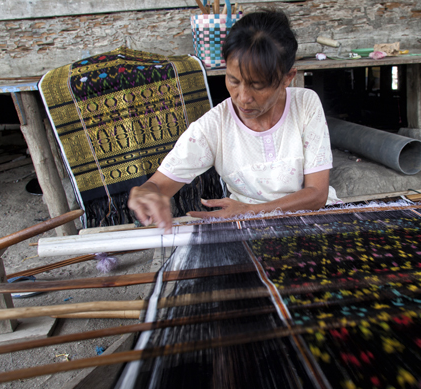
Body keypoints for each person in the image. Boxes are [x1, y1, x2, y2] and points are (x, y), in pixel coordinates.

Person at [128, 10, 340, 232]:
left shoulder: (305, 104)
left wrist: (250, 211)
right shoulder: (214, 126)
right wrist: (147, 192)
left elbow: (317, 194)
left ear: (287, 78)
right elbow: (158, 185)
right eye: (233, 81)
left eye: (257, 85)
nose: (243, 97)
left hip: (314, 221)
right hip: (251, 230)